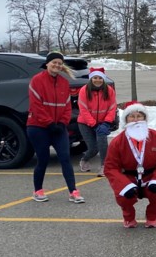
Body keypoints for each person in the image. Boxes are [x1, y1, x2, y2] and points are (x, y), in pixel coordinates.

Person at [104, 101, 156, 228]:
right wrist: (123, 185)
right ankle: (128, 216)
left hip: (151, 177)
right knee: (123, 196)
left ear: (144, 118)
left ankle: (152, 215)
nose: (136, 120)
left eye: (139, 116)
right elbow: (111, 167)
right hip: (128, 177)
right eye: (132, 116)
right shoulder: (117, 142)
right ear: (126, 119)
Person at [26, 51, 83, 203]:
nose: (57, 65)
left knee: (65, 158)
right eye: (54, 62)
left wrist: (63, 123)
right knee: (43, 159)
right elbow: (36, 106)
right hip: (38, 127)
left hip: (59, 127)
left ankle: (73, 191)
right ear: (47, 64)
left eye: (59, 63)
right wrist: (49, 123)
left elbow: (67, 106)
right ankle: (38, 190)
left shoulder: (64, 82)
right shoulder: (37, 80)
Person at [76, 66, 117, 177]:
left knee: (102, 144)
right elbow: (83, 110)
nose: (97, 80)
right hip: (85, 123)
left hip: (103, 123)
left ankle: (104, 166)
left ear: (103, 79)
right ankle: (85, 159)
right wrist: (93, 124)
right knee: (93, 148)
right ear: (91, 79)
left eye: (100, 78)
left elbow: (112, 108)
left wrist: (107, 123)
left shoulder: (109, 91)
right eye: (95, 78)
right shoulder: (84, 90)